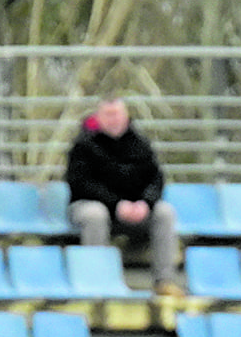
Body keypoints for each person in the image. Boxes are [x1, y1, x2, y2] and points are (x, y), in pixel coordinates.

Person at [65, 98, 183, 297]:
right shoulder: (82, 146)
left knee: (165, 212)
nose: (113, 119)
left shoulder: (141, 144)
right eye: (108, 114)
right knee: (95, 214)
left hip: (135, 211)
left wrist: (146, 203)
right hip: (91, 207)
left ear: (126, 115)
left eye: (117, 114)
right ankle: (97, 283)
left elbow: (156, 179)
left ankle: (165, 281)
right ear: (98, 117)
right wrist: (116, 205)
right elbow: (80, 185)